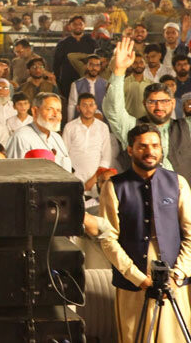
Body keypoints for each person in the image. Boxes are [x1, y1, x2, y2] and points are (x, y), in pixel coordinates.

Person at [98, 124, 191, 343]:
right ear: (130, 149)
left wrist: (177, 274)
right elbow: (107, 239)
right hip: (133, 281)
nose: (150, 151)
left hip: (175, 276)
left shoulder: (178, 183)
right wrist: (138, 278)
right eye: (143, 146)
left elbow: (190, 234)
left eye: (155, 146)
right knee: (135, 338)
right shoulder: (114, 186)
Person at [106, 36, 191, 182]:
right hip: (142, 193)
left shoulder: (186, 126)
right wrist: (119, 71)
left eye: (164, 101)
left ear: (172, 103)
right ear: (144, 103)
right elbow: (113, 110)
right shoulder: (133, 127)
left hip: (182, 194)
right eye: (153, 102)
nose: (159, 107)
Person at [5, 93, 72, 171]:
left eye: (58, 110)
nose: (55, 114)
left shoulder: (57, 138)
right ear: (35, 111)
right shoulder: (21, 137)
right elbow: (12, 172)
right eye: (49, 109)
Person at [63, 93, 113, 192]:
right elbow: (64, 155)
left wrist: (93, 180)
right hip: (73, 179)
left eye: (91, 105)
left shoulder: (103, 127)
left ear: (96, 107)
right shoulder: (70, 127)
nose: (88, 109)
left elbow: (106, 158)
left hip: (97, 180)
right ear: (78, 108)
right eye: (84, 105)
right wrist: (70, 177)